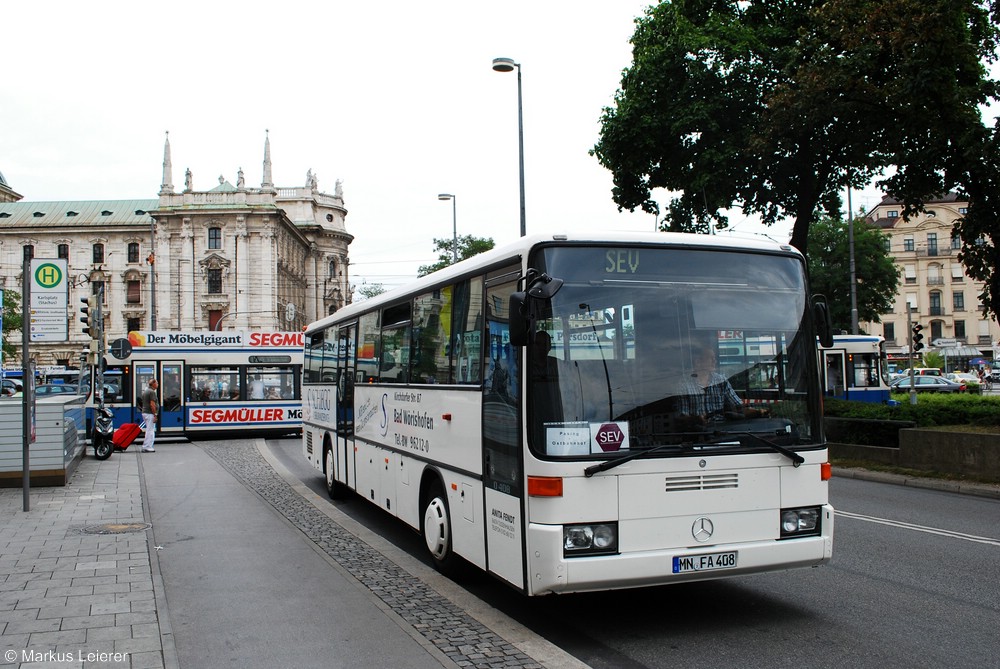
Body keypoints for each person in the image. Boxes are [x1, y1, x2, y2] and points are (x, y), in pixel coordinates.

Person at [675, 335, 763, 426]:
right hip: (698, 432)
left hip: (723, 430)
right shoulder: (684, 385)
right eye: (710, 358)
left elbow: (738, 407)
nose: (714, 361)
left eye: (714, 358)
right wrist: (696, 420)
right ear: (698, 362)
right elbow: (681, 417)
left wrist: (759, 412)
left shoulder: (721, 381)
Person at [140, 378, 159, 453]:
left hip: (145, 412)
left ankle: (146, 446)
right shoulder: (151, 392)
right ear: (153, 384)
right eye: (157, 383)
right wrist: (155, 414)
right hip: (149, 413)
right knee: (150, 430)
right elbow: (152, 404)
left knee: (149, 429)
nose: (158, 384)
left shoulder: (146, 391)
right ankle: (147, 446)